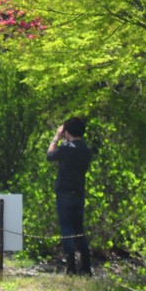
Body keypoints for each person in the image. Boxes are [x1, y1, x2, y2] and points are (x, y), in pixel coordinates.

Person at [46, 116, 93, 275]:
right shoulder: (86, 150)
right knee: (79, 230)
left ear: (67, 132)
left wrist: (56, 138)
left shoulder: (66, 148)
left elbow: (50, 156)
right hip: (79, 193)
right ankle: (86, 267)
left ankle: (71, 266)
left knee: (66, 229)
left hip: (64, 194)